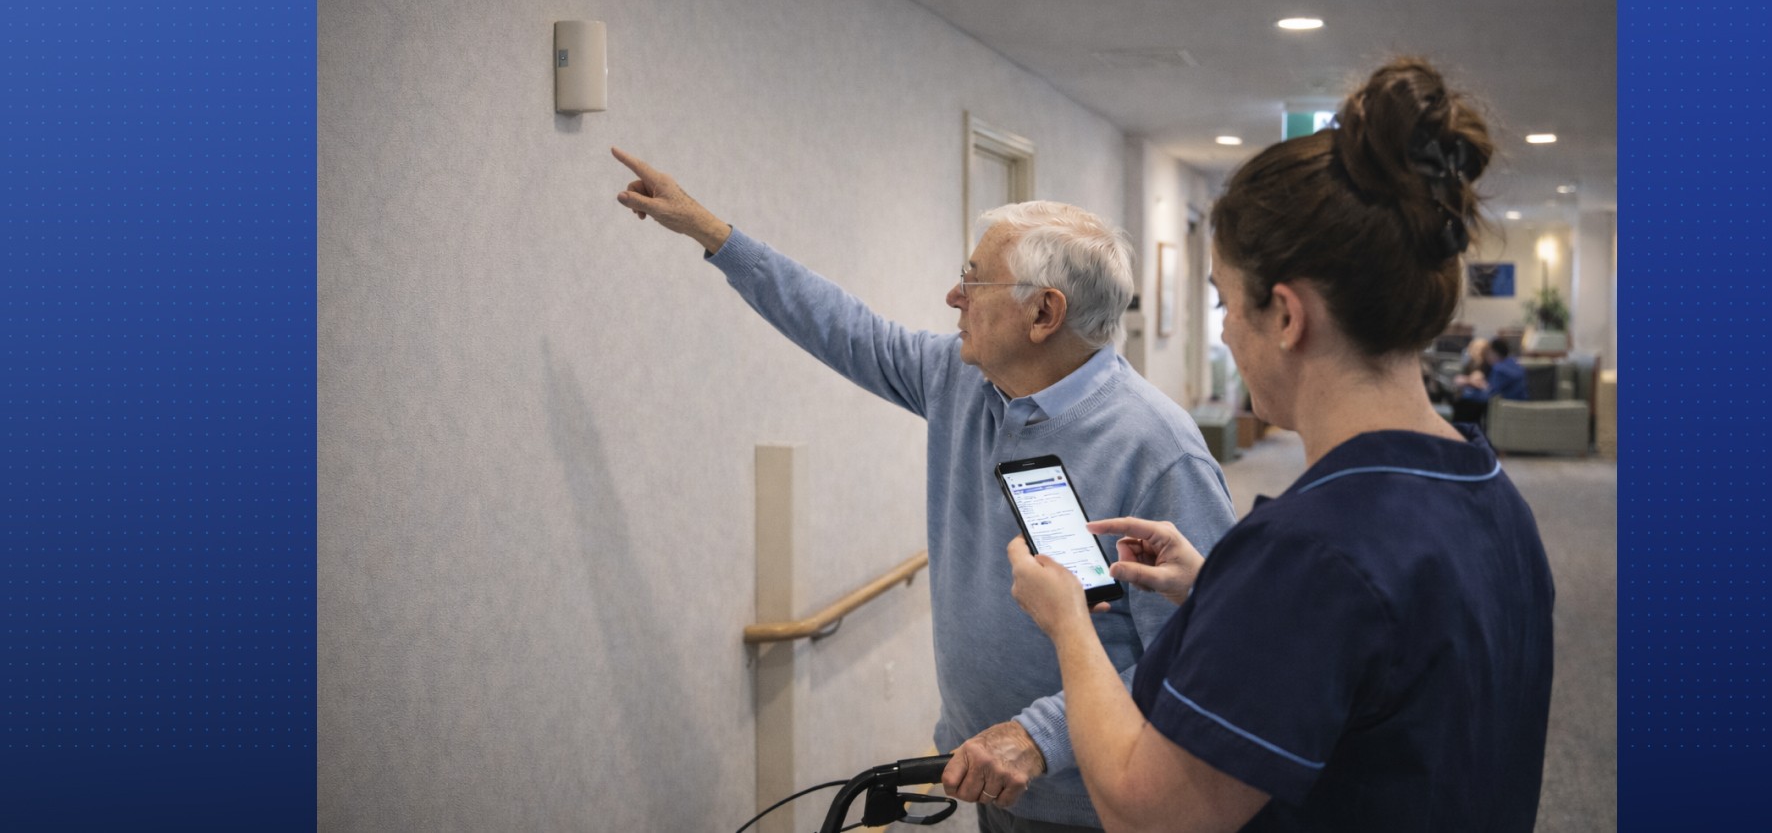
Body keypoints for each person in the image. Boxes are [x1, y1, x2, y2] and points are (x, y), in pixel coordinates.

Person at [608, 151, 1237, 832]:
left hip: (1098, 809)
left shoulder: (1161, 454)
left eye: (974, 279)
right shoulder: (961, 380)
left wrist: (1039, 736)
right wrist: (713, 234)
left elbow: (1196, 662)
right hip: (994, 785)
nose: (953, 296)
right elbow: (843, 328)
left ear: (1044, 313)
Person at [1006, 58, 1556, 832]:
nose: (1226, 328)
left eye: (1226, 302)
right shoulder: (1488, 491)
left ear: (1287, 316)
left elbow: (1145, 812)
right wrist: (1220, 593)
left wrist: (1067, 618)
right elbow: (1378, 674)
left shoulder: (1309, 554)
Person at [1452, 336, 1529, 425]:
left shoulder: (1499, 368)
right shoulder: (1514, 364)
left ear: (1494, 353)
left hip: (1505, 408)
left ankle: (1462, 433)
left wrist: (1470, 387)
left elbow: (1489, 396)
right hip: (1520, 405)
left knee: (1465, 402)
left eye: (1488, 353)